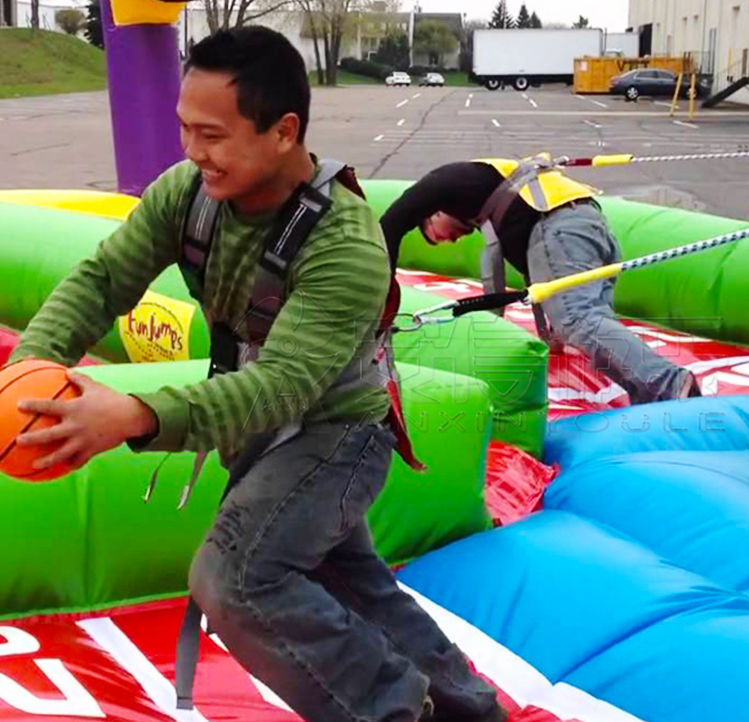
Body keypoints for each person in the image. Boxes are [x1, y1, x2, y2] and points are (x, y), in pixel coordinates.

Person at [9, 27, 504, 722]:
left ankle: (394, 710)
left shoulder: (346, 242)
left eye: (211, 135)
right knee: (348, 580)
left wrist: (137, 414)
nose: (191, 152)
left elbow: (284, 387)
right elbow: (102, 279)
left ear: (283, 131)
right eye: (184, 129)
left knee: (236, 579)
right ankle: (469, 708)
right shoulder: (188, 192)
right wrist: (32, 369)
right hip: (262, 429)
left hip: (338, 433)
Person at [380, 158, 699, 404]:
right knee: (589, 325)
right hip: (589, 225)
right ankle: (655, 399)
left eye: (433, 234)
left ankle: (669, 383)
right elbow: (540, 280)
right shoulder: (493, 202)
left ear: (433, 211)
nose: (447, 241)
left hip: (563, 227)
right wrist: (552, 337)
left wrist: (382, 290)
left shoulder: (449, 182)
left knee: (578, 320)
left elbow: (391, 224)